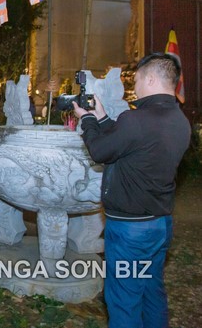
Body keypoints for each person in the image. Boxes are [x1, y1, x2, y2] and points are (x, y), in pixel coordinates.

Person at [73, 53, 191, 328]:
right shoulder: (179, 120)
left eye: (136, 79)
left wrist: (87, 121)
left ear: (150, 79)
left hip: (130, 231)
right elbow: (133, 143)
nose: (134, 86)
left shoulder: (135, 120)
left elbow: (102, 151)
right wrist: (102, 118)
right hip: (160, 223)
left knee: (124, 301)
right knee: (152, 292)